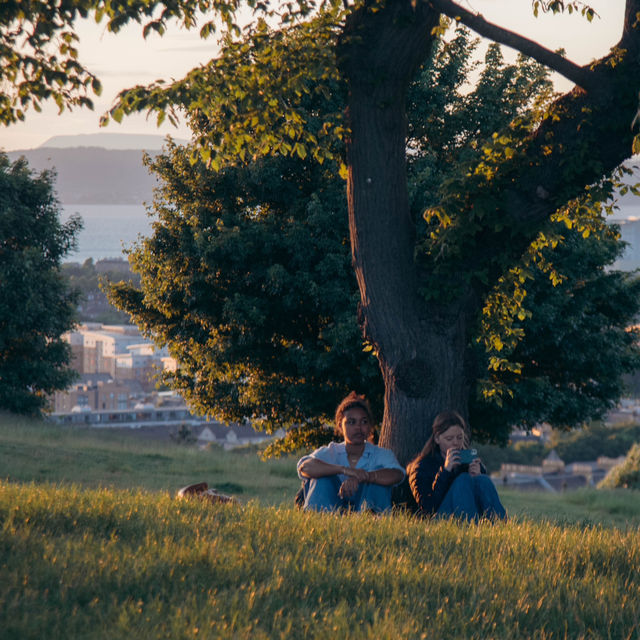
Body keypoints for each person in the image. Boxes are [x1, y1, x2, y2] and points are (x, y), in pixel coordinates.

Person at [297, 392, 405, 513]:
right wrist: (344, 470)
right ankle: (319, 518)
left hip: (367, 513)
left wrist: (365, 477)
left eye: (364, 422)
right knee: (322, 479)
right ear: (340, 425)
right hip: (331, 509)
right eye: (351, 422)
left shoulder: (381, 454)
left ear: (370, 426)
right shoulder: (331, 451)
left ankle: (370, 520)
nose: (358, 427)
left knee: (377, 482)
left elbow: (398, 474)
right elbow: (304, 467)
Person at [407, 410, 506, 522]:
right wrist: (445, 471)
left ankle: (502, 528)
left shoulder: (466, 461)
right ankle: (471, 529)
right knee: (462, 480)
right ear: (437, 439)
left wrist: (477, 475)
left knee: (482, 479)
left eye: (459, 438)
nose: (455, 443)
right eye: (449, 439)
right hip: (438, 519)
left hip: (471, 514)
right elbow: (428, 508)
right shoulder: (422, 466)